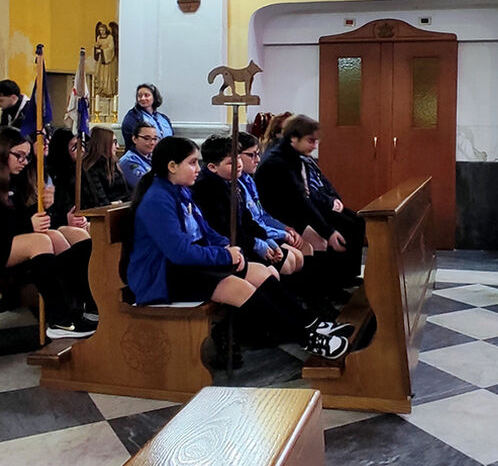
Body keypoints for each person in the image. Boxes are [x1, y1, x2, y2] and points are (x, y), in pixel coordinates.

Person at [128, 136, 349, 359]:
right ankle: (306, 339)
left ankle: (309, 323)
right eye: (193, 162)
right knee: (237, 287)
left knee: (260, 272)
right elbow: (180, 252)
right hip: (162, 275)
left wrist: (230, 249)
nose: (198, 168)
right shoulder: (158, 200)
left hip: (188, 266)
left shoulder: (180, 191)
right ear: (172, 166)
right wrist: (225, 256)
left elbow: (206, 231)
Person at [0, 127, 95, 338]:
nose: (24, 161)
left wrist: (42, 207)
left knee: (56, 236)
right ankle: (59, 320)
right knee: (39, 243)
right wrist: (29, 224)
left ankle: (77, 308)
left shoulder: (14, 180)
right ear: (2, 152)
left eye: (27, 156)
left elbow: (17, 219)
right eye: (18, 155)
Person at [255, 115, 365, 287]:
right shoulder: (278, 161)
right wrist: (327, 231)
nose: (314, 146)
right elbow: (300, 201)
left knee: (354, 221)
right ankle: (320, 292)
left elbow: (306, 195)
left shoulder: (290, 154)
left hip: (294, 211)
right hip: (282, 218)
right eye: (310, 141)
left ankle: (341, 280)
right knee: (326, 236)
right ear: (293, 138)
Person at [192, 135, 304, 278]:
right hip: (228, 245)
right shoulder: (207, 188)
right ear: (212, 167)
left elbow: (246, 218)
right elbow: (223, 229)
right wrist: (255, 244)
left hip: (244, 239)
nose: (239, 164)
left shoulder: (233, 182)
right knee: (272, 272)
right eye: (231, 162)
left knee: (286, 261)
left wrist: (264, 239)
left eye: (238, 158)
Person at [79, 127, 130, 209]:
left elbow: (126, 193)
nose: (117, 146)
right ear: (103, 144)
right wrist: (117, 203)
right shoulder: (90, 169)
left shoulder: (113, 163)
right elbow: (100, 201)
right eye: (114, 143)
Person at [120, 83, 174, 151]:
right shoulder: (133, 117)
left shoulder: (163, 118)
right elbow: (132, 142)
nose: (142, 98)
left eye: (146, 95)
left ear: (154, 97)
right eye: (139, 96)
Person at [118, 124, 157, 190]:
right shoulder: (129, 161)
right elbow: (145, 187)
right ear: (134, 139)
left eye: (155, 139)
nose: (152, 142)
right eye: (147, 138)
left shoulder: (152, 156)